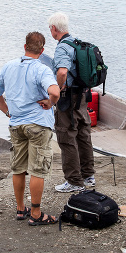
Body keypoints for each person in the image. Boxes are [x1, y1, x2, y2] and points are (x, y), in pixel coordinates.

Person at [0, 32, 60, 226]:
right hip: (38, 125)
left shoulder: (9, 66)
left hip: (16, 125)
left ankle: (21, 209)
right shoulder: (42, 69)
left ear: (25, 46)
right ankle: (36, 213)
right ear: (43, 50)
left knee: (19, 168)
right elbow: (55, 91)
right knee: (38, 169)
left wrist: (7, 111)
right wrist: (50, 103)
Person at [47, 12, 96, 193]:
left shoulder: (62, 48)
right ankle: (88, 176)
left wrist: (58, 91)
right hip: (83, 95)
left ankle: (74, 181)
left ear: (53, 29)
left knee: (66, 136)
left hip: (68, 98)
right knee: (83, 134)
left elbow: (62, 72)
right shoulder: (77, 43)